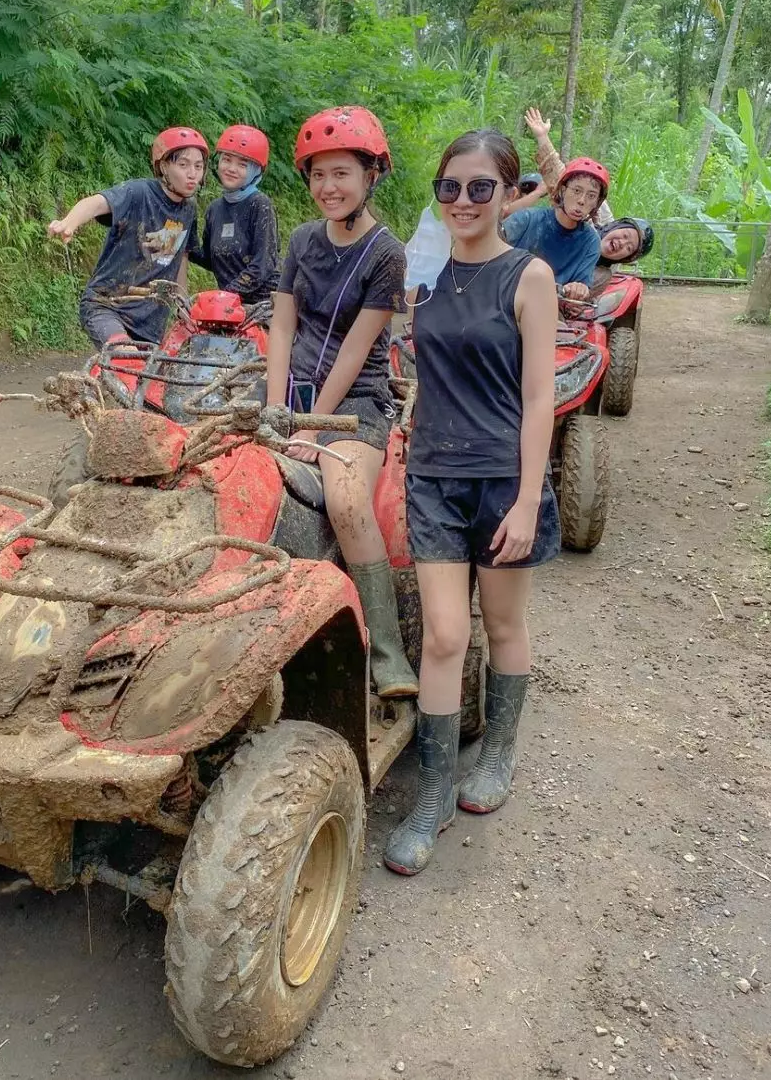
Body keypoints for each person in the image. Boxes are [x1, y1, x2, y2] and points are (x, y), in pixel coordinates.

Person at [384, 128, 560, 876]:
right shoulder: (421, 271)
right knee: (445, 636)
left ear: (510, 194)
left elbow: (540, 397)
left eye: (481, 187)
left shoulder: (529, 276)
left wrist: (527, 501)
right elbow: (382, 338)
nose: (463, 201)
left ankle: (498, 755)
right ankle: (432, 794)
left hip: (501, 479)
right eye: (449, 187)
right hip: (430, 475)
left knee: (503, 622)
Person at [265, 106, 419, 700]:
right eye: (317, 175)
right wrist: (276, 408)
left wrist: (306, 425)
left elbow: (358, 348)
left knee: (347, 496)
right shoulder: (301, 240)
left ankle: (385, 650)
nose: (327, 187)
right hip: (290, 393)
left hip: (356, 402)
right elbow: (282, 328)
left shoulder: (387, 253)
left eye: (341, 174)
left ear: (370, 176)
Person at [48, 127, 208, 348]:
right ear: (163, 166)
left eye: (198, 166)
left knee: (143, 379)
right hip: (107, 306)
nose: (192, 173)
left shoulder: (188, 210)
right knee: (125, 357)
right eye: (183, 165)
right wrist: (68, 223)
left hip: (150, 323)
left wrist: (183, 304)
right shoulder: (138, 192)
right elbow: (95, 203)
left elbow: (180, 258)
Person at [190, 125, 280, 306]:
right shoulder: (214, 209)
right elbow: (211, 260)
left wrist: (224, 296)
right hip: (230, 307)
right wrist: (184, 234)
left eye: (242, 164)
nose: (231, 168)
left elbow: (262, 265)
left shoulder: (260, 204)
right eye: (227, 160)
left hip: (263, 305)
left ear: (256, 170)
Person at [502, 153, 610, 301]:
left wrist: (579, 289)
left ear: (597, 203)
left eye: (591, 195)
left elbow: (582, 284)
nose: (581, 200)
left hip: (550, 307)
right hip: (504, 295)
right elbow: (490, 252)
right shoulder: (526, 219)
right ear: (563, 190)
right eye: (576, 191)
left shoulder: (591, 242)